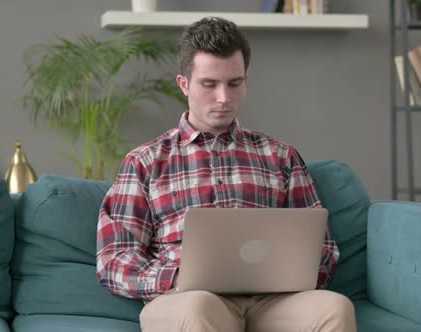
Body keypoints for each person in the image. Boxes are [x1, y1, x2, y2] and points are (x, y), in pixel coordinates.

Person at [96, 17, 357, 332]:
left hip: (272, 301)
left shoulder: (280, 156)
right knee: (197, 308)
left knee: (334, 308)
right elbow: (115, 260)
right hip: (186, 298)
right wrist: (177, 277)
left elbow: (324, 247)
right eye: (209, 84)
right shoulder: (145, 161)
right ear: (184, 84)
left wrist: (293, 273)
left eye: (234, 83)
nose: (224, 97)